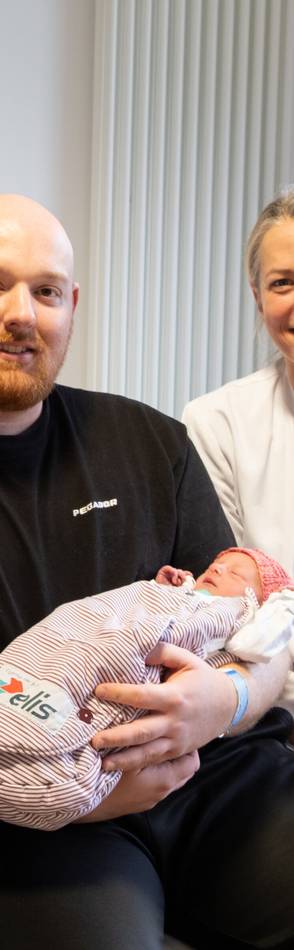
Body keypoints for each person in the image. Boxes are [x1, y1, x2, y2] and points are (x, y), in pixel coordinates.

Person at [0, 193, 294, 950]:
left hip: (213, 777)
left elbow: (260, 637)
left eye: (46, 292)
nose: (22, 314)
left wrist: (229, 700)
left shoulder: (152, 442)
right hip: (27, 817)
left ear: (71, 305)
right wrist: (41, 792)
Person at [0, 547, 294, 831]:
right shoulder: (174, 592)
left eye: (235, 574)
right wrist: (173, 584)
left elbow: (268, 647)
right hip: (92, 639)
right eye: (217, 565)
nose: (217, 571)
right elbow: (147, 605)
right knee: (67, 656)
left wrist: (231, 695)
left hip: (218, 761)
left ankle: (46, 758)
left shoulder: (241, 614)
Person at [183, 187, 294, 713]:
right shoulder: (216, 422)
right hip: (271, 715)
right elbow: (224, 612)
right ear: (257, 295)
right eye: (283, 283)